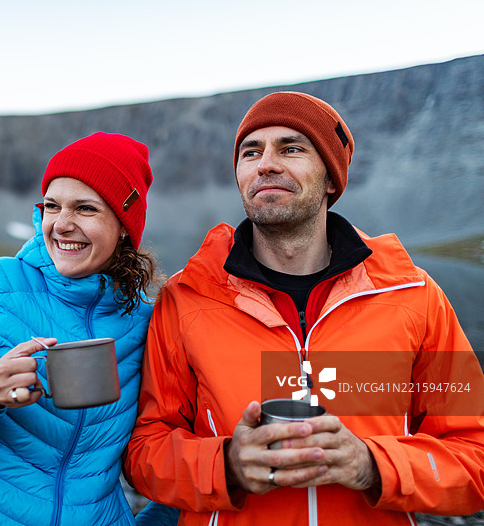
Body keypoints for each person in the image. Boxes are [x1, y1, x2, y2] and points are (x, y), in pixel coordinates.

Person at [123, 92, 484, 525]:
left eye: (291, 148)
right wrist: (226, 465)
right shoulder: (186, 299)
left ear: (331, 177)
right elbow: (144, 450)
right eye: (250, 152)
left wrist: (371, 465)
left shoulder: (414, 296)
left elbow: (475, 457)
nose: (265, 164)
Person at [0, 132, 179, 525]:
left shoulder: (144, 321)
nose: (62, 224)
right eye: (52, 206)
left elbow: (166, 452)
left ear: (124, 224)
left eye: (85, 208)